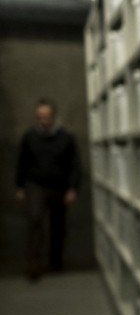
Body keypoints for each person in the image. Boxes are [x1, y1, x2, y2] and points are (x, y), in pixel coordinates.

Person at [14, 98, 81, 281]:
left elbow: (74, 165)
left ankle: (55, 262)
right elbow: (22, 162)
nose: (42, 120)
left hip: (59, 186)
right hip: (35, 184)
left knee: (58, 224)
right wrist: (19, 186)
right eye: (39, 117)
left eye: (46, 117)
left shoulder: (66, 137)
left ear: (54, 116)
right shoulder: (29, 137)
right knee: (35, 220)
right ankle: (34, 265)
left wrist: (72, 188)